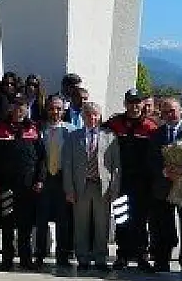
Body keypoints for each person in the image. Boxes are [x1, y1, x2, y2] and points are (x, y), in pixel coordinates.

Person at [103, 89, 159, 271]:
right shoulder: (114, 123)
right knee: (121, 217)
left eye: (138, 102)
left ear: (142, 104)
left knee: (141, 219)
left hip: (143, 181)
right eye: (131, 102)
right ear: (125, 104)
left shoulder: (151, 126)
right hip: (122, 180)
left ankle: (142, 255)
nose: (134, 106)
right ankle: (122, 255)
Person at [0, 96, 45, 271]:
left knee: (25, 224)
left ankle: (26, 258)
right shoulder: (0, 127)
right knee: (7, 223)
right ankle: (7, 259)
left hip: (27, 186)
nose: (20, 110)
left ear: (27, 109)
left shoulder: (34, 128)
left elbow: (42, 158)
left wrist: (40, 179)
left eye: (23, 107)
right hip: (6, 186)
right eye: (17, 107)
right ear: (11, 108)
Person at [148, 97, 182, 276]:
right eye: (165, 111)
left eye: (172, 110)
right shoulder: (156, 134)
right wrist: (164, 171)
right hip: (163, 186)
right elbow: (151, 160)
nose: (169, 114)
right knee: (163, 225)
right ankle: (162, 261)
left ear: (180, 111)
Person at [63, 102, 121, 270]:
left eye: (95, 115)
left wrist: (114, 189)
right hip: (81, 186)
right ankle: (82, 258)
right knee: (81, 223)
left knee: (101, 224)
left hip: (102, 187)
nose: (92, 118)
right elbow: (67, 165)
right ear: (83, 117)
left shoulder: (110, 136)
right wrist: (69, 189)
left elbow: (116, 165)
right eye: (88, 115)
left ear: (100, 116)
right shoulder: (74, 136)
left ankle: (101, 258)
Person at [35, 95, 73, 267]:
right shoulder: (38, 129)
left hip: (62, 178)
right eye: (51, 108)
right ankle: (40, 254)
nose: (55, 112)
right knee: (41, 218)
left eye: (58, 108)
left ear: (63, 110)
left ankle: (62, 255)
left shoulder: (71, 130)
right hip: (44, 179)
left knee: (63, 220)